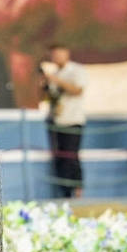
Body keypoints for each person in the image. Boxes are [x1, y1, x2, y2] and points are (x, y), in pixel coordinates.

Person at [39, 42, 87, 199]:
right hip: (56, 121)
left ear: (66, 52)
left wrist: (57, 81)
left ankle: (78, 191)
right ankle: (65, 193)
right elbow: (48, 98)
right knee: (60, 158)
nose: (56, 57)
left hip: (72, 120)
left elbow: (77, 90)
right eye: (53, 54)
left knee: (71, 156)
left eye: (58, 53)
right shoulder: (54, 74)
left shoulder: (76, 70)